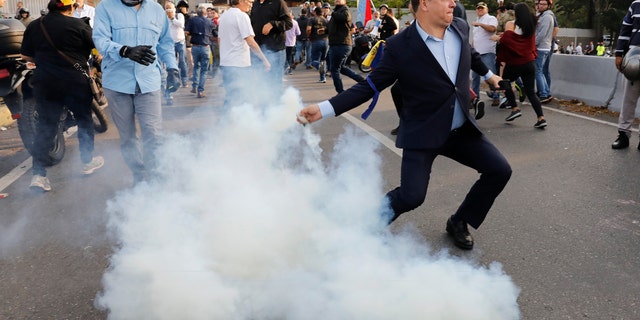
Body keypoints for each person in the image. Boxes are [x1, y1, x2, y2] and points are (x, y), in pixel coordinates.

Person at [298, 0, 511, 250]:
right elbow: (370, 86)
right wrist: (323, 109)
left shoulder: (460, 28)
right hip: (423, 131)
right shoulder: (400, 46)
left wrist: (490, 76)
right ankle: (365, 227)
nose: (454, 3)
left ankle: (459, 221)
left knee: (499, 170)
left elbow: (471, 55)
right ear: (424, 4)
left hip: (460, 129)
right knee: (411, 197)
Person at [93, 0, 179, 185]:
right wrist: (124, 50)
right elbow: (100, 39)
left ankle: (155, 177)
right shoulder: (105, 8)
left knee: (153, 133)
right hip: (117, 84)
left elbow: (165, 42)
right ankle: (139, 174)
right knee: (128, 137)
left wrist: (173, 68)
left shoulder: (156, 9)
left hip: (149, 82)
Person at [22, 0, 104, 192]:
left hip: (45, 83)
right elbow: (96, 49)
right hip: (75, 82)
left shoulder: (35, 25)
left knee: (46, 127)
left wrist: (45, 60)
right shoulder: (78, 25)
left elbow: (26, 56)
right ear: (72, 7)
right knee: (84, 120)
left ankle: (39, 175)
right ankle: (87, 162)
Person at [493, 2, 546, 128]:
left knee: (504, 82)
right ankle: (541, 118)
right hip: (529, 62)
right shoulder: (531, 25)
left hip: (516, 63)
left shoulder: (511, 24)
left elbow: (508, 41)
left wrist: (499, 38)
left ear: (516, 13)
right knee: (531, 93)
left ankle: (515, 108)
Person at [218, 0, 270, 109]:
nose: (251, 4)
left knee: (232, 96)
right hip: (239, 64)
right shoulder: (242, 16)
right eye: (250, 1)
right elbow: (250, 41)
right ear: (241, 1)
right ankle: (233, 122)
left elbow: (219, 40)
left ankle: (226, 122)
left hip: (226, 63)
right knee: (241, 97)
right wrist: (264, 60)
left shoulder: (224, 16)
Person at [612, 1, 640, 150]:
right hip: (633, 58)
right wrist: (619, 53)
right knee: (628, 99)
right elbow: (625, 29)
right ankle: (623, 134)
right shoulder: (636, 4)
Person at [249, 0, 292, 100]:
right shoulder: (255, 4)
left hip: (275, 50)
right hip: (258, 51)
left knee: (274, 84)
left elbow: (289, 23)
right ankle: (265, 112)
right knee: (260, 84)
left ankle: (275, 111)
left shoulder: (278, 2)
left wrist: (273, 24)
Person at [326, 0, 365, 93]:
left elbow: (345, 17)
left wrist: (332, 13)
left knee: (334, 69)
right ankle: (363, 81)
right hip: (338, 44)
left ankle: (340, 93)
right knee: (342, 68)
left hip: (340, 44)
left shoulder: (345, 9)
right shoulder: (337, 12)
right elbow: (333, 29)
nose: (337, 0)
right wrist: (324, 31)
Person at [471, 2, 500, 106]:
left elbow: (492, 29)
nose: (480, 10)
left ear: (486, 9)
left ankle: (496, 96)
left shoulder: (490, 18)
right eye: (478, 8)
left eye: (482, 8)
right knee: (475, 76)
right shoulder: (477, 20)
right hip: (477, 52)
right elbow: (476, 37)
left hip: (487, 51)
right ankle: (475, 98)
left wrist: (480, 24)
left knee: (490, 74)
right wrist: (472, 48)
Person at [185, 6, 214, 98]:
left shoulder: (192, 20)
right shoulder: (209, 21)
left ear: (197, 13)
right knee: (204, 70)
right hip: (205, 46)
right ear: (205, 13)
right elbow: (214, 32)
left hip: (195, 46)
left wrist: (193, 33)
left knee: (196, 67)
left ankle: (194, 86)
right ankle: (200, 90)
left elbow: (186, 31)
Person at [534, 0, 555, 103]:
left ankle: (543, 94)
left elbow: (542, 33)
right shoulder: (543, 15)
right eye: (539, 4)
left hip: (542, 47)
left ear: (548, 6)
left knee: (538, 71)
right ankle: (546, 92)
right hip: (544, 47)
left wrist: (533, 44)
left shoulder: (547, 17)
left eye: (543, 4)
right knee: (540, 71)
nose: (540, 6)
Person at [165, 1, 189, 88]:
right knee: (172, 63)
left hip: (180, 41)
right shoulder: (164, 18)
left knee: (182, 61)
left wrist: (172, 19)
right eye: (166, 8)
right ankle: (175, 80)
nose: (168, 10)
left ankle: (184, 79)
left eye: (169, 8)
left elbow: (182, 25)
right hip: (170, 43)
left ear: (174, 8)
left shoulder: (179, 15)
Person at [306, 6, 329, 83]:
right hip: (325, 41)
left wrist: (308, 36)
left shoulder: (312, 19)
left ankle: (318, 67)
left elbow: (309, 29)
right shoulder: (326, 20)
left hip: (316, 41)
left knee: (314, 60)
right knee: (323, 60)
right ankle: (323, 78)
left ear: (315, 12)